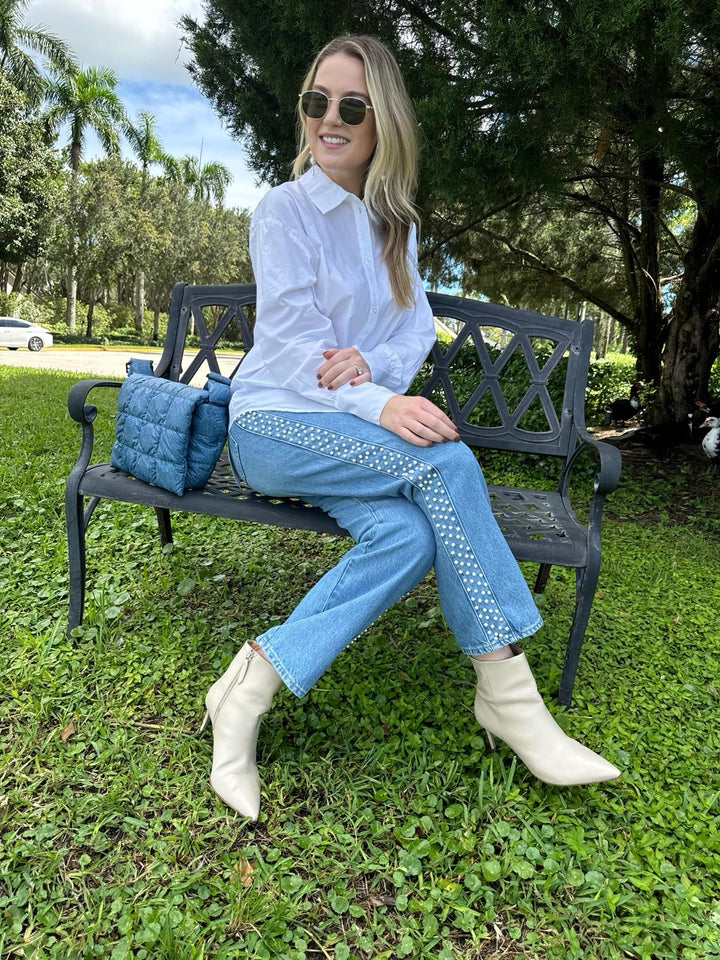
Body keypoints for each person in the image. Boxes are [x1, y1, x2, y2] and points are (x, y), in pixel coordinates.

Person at [200, 35, 619, 820]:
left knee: (409, 538)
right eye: (315, 101)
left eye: (350, 106)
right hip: (272, 425)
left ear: (380, 120)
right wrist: (379, 402)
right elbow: (292, 353)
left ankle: (250, 686)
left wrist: (368, 367)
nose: (329, 119)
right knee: (445, 463)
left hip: (347, 436)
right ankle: (509, 698)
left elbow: (409, 335)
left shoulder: (397, 224)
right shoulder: (286, 211)